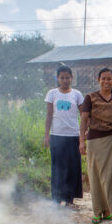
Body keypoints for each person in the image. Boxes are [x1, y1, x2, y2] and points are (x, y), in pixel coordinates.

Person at [79, 68, 112, 224]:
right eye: (104, 78)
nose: (107, 81)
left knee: (110, 176)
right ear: (98, 79)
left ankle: (109, 210)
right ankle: (97, 211)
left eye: (110, 79)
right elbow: (83, 120)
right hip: (94, 141)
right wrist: (81, 141)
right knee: (95, 175)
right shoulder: (90, 97)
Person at [44, 65, 84, 208]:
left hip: (73, 136)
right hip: (57, 135)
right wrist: (46, 135)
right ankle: (56, 199)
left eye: (67, 77)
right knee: (57, 168)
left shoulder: (77, 94)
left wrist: (83, 134)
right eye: (62, 78)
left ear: (72, 77)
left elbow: (84, 115)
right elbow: (49, 115)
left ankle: (69, 200)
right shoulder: (52, 94)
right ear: (57, 79)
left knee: (72, 168)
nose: (65, 80)